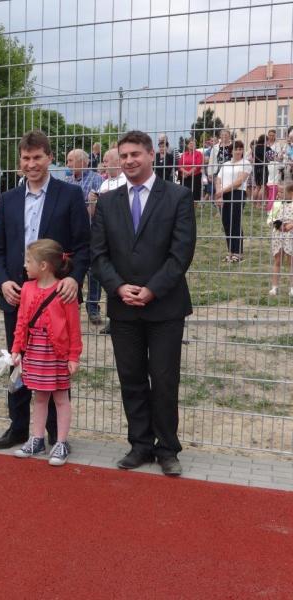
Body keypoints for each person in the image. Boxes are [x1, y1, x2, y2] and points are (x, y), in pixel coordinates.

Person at [91, 130, 196, 477]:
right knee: (131, 378)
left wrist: (151, 289)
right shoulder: (107, 202)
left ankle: (167, 449)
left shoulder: (178, 196)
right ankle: (139, 444)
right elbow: (99, 254)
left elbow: (181, 253)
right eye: (123, 156)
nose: (129, 161)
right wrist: (119, 287)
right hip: (123, 307)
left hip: (164, 306)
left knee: (165, 379)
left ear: (151, 155)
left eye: (136, 154)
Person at [0, 130, 90, 450]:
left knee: (56, 360)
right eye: (26, 158)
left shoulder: (69, 195)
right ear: (20, 161)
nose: (31, 164)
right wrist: (4, 281)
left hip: (55, 299)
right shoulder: (8, 199)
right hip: (17, 295)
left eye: (37, 157)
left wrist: (74, 278)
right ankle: (19, 426)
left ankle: (56, 434)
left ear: (49, 158)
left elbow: (85, 246)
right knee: (18, 360)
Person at [9, 239, 82, 466]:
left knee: (61, 398)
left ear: (43, 266)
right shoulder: (28, 289)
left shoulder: (63, 291)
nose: (25, 266)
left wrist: (73, 356)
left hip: (57, 352)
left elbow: (73, 326)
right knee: (39, 397)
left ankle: (60, 442)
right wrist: (16, 348)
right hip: (35, 351)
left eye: (28, 261)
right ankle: (37, 438)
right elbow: (21, 322)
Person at [65, 149, 103, 325]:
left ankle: (93, 307)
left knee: (94, 273)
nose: (68, 164)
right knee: (73, 270)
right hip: (72, 235)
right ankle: (74, 305)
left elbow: (98, 209)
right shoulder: (68, 181)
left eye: (71, 160)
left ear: (83, 162)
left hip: (93, 233)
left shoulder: (96, 179)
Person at [215, 140, 251, 263]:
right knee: (226, 222)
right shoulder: (225, 164)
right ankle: (230, 251)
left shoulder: (245, 163)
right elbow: (218, 179)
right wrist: (219, 195)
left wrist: (222, 191)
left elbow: (239, 181)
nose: (238, 151)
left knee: (235, 221)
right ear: (231, 150)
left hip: (237, 193)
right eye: (236, 149)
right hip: (224, 195)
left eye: (241, 149)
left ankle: (238, 252)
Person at [267, 181, 293, 296]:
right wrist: (277, 224)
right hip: (278, 235)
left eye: (282, 192)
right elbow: (270, 218)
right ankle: (274, 287)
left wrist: (291, 224)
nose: (279, 194)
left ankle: (292, 287)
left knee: (291, 261)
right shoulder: (277, 204)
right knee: (277, 261)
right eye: (279, 191)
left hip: (290, 235)